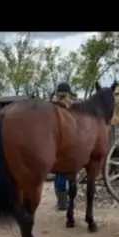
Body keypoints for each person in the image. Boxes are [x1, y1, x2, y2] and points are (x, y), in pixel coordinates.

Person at [51, 81, 76, 209]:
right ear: (67, 94)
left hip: (55, 145)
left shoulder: (53, 106)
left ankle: (61, 201)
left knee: (59, 174)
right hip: (66, 145)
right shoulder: (68, 106)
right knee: (62, 174)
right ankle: (62, 202)